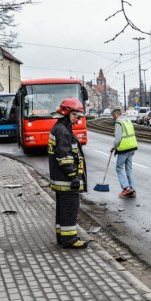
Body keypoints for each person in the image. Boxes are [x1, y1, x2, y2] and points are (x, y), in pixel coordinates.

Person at [47, 98, 89, 249]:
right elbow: (63, 157)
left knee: (62, 210)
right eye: (76, 115)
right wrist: (73, 176)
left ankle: (62, 237)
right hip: (66, 181)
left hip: (61, 180)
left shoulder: (60, 128)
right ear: (67, 113)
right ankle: (70, 239)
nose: (78, 118)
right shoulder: (63, 131)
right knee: (70, 209)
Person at [110, 108, 138, 198]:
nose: (113, 118)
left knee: (119, 168)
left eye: (113, 116)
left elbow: (118, 138)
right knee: (129, 168)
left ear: (116, 115)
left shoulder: (119, 123)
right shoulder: (128, 121)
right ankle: (132, 189)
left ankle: (126, 188)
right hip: (132, 147)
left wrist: (114, 147)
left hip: (124, 148)